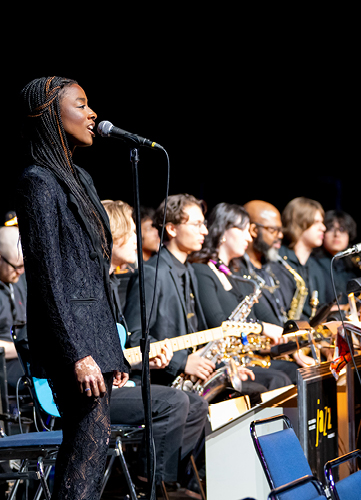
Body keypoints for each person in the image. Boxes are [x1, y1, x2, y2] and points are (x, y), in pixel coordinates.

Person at [15, 76, 129, 500]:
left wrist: (107, 347)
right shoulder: (37, 182)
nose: (92, 114)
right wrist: (79, 353)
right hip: (69, 340)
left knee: (92, 444)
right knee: (87, 442)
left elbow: (93, 271)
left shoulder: (80, 177)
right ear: (51, 117)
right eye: (81, 105)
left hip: (91, 334)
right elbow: (47, 277)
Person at [102, 200, 208, 493]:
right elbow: (135, 337)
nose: (140, 238)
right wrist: (178, 363)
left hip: (122, 378)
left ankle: (157, 478)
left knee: (197, 404)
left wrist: (140, 361)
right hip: (95, 389)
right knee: (176, 403)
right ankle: (150, 485)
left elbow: (126, 346)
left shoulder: (111, 284)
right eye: (132, 231)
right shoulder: (148, 273)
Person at [123, 194, 258, 393]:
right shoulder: (152, 273)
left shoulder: (189, 270)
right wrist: (181, 362)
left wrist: (225, 368)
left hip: (187, 378)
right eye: (196, 224)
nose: (204, 230)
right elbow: (134, 338)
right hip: (161, 382)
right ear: (171, 229)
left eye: (203, 224)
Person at [189, 202, 303, 385]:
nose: (249, 238)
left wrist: (295, 340)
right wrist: (262, 328)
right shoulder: (202, 270)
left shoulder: (238, 275)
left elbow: (270, 320)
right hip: (223, 364)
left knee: (298, 371)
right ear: (224, 230)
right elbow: (219, 323)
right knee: (279, 379)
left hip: (247, 358)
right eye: (243, 229)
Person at [280, 197, 332, 320]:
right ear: (300, 223)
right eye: (316, 222)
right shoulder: (278, 261)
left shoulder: (317, 268)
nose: (323, 228)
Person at [0, 226, 26, 389]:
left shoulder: (20, 279)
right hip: (4, 364)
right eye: (16, 267)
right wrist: (22, 349)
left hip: (25, 357)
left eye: (23, 266)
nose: (20, 272)